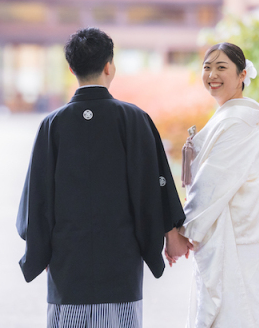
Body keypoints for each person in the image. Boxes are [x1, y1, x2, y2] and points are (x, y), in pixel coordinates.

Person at [16, 27, 190, 328]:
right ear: (109, 66)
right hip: (121, 263)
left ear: (71, 68)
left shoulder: (52, 126)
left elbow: (38, 197)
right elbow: (154, 183)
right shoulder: (135, 119)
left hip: (68, 265)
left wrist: (39, 250)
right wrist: (170, 232)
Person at [176, 42, 259, 328]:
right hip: (235, 239)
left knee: (236, 313)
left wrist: (183, 232)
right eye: (207, 67)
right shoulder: (231, 119)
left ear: (242, 75)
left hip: (235, 241)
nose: (212, 74)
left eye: (221, 67)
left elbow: (211, 184)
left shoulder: (237, 122)